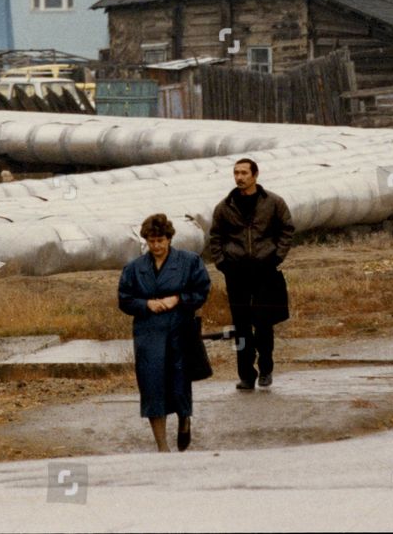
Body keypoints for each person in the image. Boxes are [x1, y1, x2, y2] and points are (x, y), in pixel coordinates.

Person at [118, 213, 211, 452]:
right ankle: (162, 446)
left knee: (178, 383)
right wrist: (145, 304)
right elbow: (124, 299)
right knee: (151, 386)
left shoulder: (189, 261)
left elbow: (202, 289)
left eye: (160, 240)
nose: (156, 246)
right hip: (148, 333)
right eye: (151, 241)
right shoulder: (135, 269)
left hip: (179, 330)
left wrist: (178, 299)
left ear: (169, 238)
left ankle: (184, 420)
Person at [206, 158, 293, 391]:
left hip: (265, 270)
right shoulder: (225, 207)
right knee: (241, 327)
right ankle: (246, 373)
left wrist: (277, 256)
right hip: (237, 273)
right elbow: (215, 237)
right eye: (236, 173)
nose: (239, 177)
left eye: (244, 173)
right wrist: (222, 262)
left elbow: (287, 229)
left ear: (255, 175)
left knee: (264, 323)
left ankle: (266, 368)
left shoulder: (273, 203)